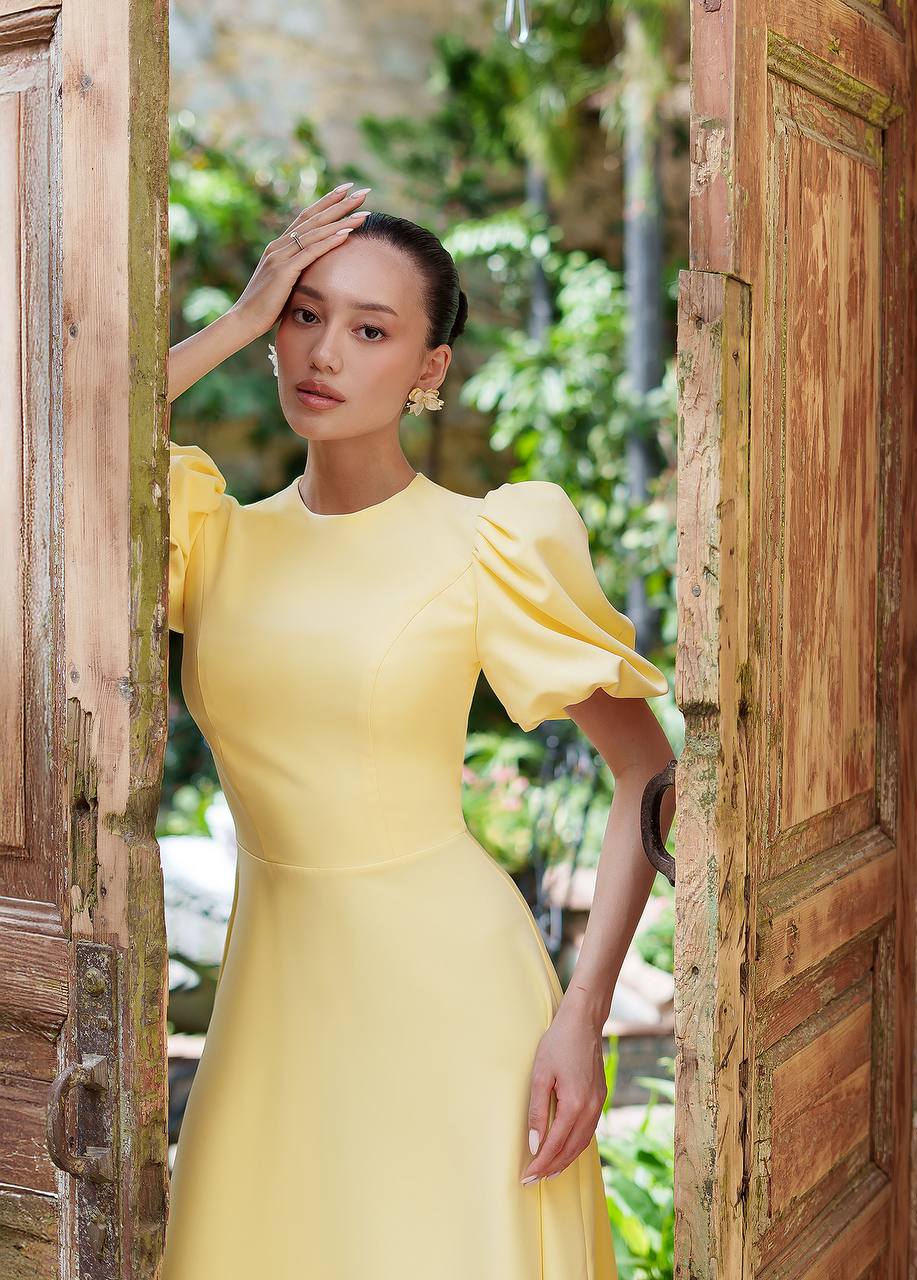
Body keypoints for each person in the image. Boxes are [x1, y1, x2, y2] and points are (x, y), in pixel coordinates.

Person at [161, 182, 676, 1279]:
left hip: (453, 1004)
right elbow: (51, 448)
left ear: (429, 370)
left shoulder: (487, 544)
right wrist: (238, 314)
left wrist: (581, 1016)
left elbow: (646, 770)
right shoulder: (208, 539)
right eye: (304, 313)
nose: (324, 352)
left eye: (371, 329)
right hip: (269, 1011)